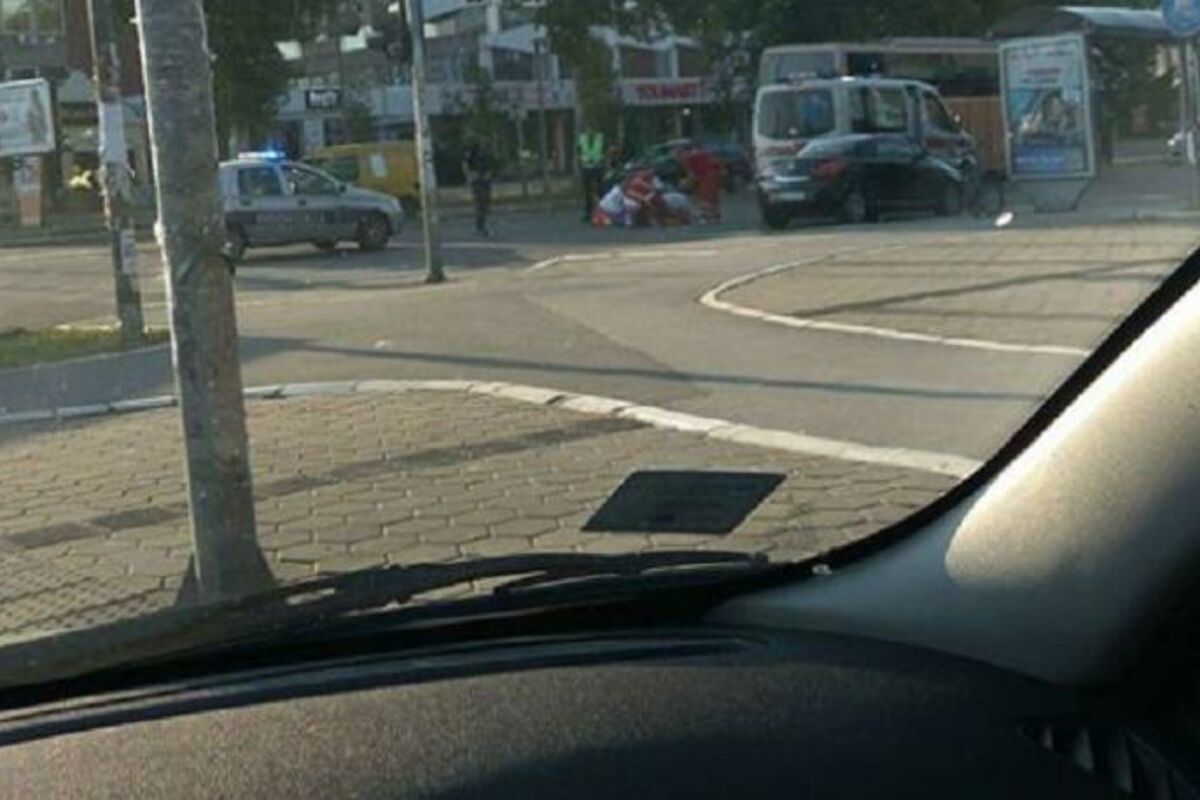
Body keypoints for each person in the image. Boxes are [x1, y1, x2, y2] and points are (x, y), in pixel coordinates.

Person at [678, 145, 722, 223]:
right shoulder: (702, 153)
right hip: (713, 175)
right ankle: (714, 215)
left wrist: (685, 182)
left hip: (705, 176)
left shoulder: (686, 158)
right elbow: (716, 163)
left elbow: (691, 173)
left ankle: (707, 216)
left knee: (704, 196)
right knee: (712, 196)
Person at [462, 139, 496, 237]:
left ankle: (482, 224)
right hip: (477, 180)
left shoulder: (487, 153)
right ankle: (480, 226)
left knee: (486, 203)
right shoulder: (472, 153)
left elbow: (491, 166)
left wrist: (489, 174)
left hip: (485, 180)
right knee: (479, 203)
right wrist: (470, 176)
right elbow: (465, 164)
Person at [577, 126, 606, 223]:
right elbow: (578, 152)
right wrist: (581, 161)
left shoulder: (600, 138)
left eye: (591, 129)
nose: (590, 131)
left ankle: (603, 210)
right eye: (588, 129)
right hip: (586, 167)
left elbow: (605, 150)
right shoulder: (582, 139)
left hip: (598, 167)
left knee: (601, 190)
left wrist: (603, 161)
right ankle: (588, 212)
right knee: (587, 192)